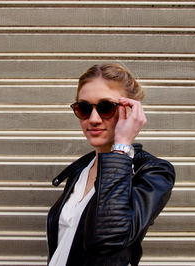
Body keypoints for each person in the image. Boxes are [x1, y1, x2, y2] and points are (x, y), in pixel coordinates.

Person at [46, 63, 175, 266]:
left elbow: (106, 240)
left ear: (130, 110)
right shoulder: (81, 170)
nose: (94, 119)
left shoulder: (152, 172)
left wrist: (122, 145)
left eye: (106, 107)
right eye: (84, 108)